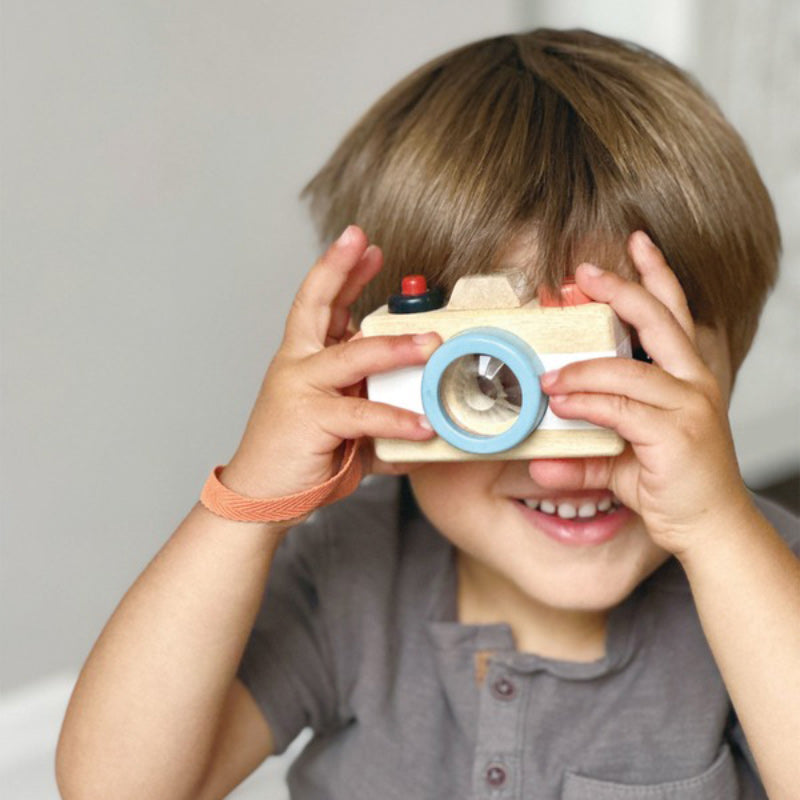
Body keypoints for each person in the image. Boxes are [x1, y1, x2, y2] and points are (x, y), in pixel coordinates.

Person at [56, 28, 799, 800]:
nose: (568, 462)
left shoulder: (761, 577)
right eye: (494, 383)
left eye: (635, 364)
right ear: (385, 370)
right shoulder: (352, 572)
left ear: (732, 362)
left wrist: (718, 535)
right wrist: (251, 502)